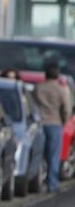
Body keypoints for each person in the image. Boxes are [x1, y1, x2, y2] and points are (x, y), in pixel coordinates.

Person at [32, 62, 71, 194]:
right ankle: (52, 183)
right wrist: (64, 121)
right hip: (55, 123)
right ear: (57, 75)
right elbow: (67, 108)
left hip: (40, 123)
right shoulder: (61, 89)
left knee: (39, 154)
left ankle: (35, 181)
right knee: (54, 155)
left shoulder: (38, 88)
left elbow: (32, 104)